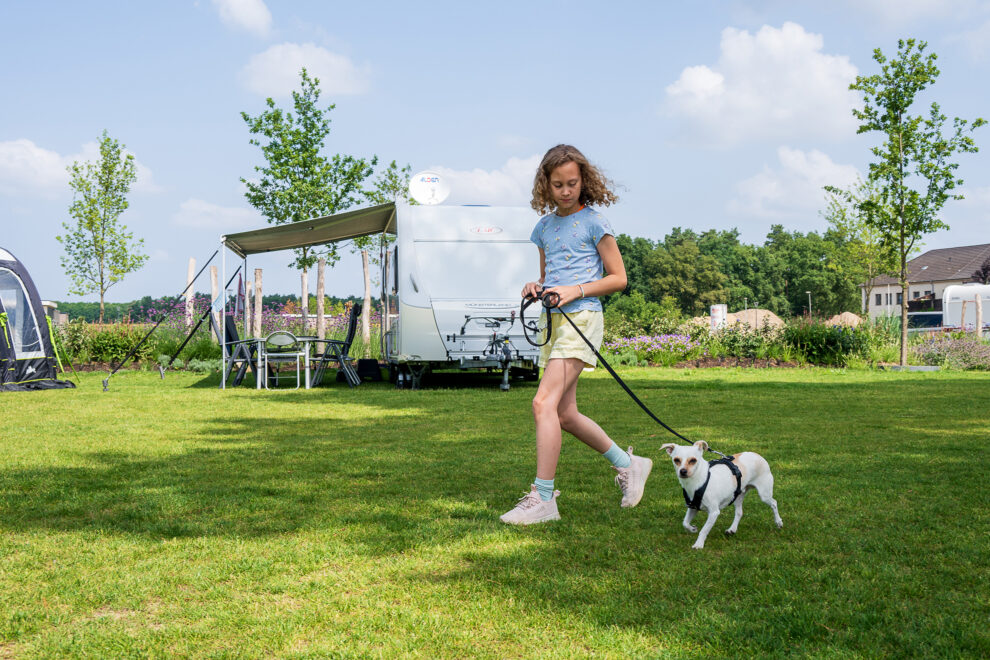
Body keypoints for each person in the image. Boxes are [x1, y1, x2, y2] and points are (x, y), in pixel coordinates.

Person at [500, 144, 652, 525]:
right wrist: (536, 287)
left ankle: (543, 499)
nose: (566, 191)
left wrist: (576, 290)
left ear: (584, 181)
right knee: (564, 413)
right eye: (558, 185)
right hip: (553, 321)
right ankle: (629, 464)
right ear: (545, 185)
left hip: (582, 319)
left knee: (542, 403)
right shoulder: (543, 228)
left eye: (572, 183)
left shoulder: (595, 223)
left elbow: (619, 278)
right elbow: (549, 275)